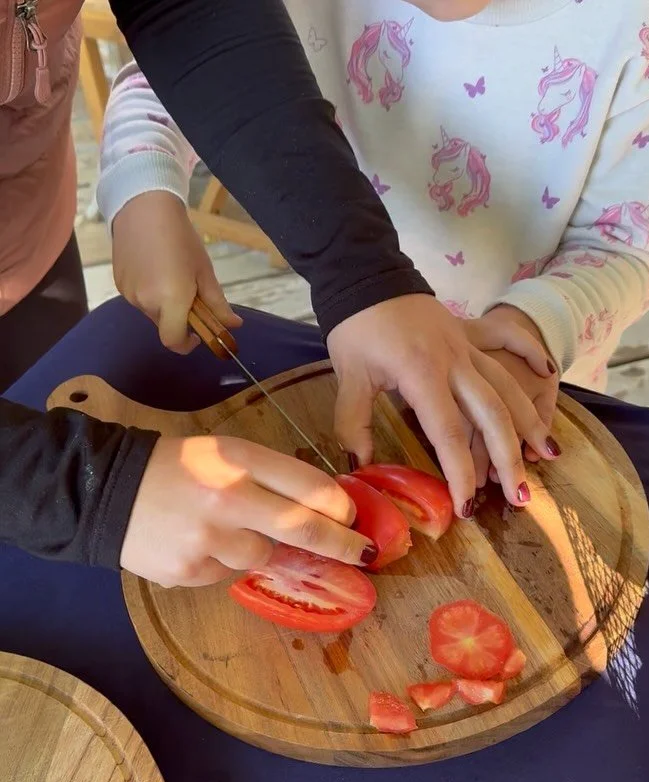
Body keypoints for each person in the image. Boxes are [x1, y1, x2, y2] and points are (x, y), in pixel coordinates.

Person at [0, 0, 556, 588]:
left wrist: (361, 272)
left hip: (25, 231)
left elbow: (184, 13)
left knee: (36, 369)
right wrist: (90, 490)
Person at [100, 0, 649, 484]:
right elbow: (175, 76)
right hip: (354, 368)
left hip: (524, 388)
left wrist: (533, 326)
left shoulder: (639, 32)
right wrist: (142, 192)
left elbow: (620, 248)